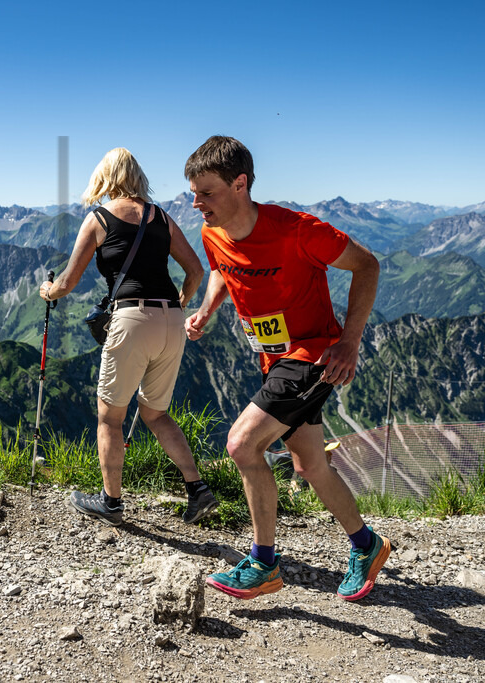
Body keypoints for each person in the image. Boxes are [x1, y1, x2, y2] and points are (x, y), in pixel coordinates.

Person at [183, 135, 390, 602]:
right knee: (311, 464)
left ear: (240, 184)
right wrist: (208, 308)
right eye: (193, 193)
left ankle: (263, 564)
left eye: (207, 193)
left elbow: (368, 266)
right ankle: (366, 544)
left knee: (241, 444)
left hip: (313, 356)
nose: (197, 204)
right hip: (272, 359)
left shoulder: (298, 229)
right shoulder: (212, 230)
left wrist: (349, 342)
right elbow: (220, 268)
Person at [38, 147, 217, 527]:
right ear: (137, 177)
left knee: (110, 417)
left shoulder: (99, 218)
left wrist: (47, 291)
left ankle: (111, 503)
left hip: (132, 317)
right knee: (155, 413)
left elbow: (67, 282)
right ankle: (198, 489)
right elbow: (196, 271)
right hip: (171, 320)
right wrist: (179, 305)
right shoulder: (162, 217)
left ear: (105, 178)